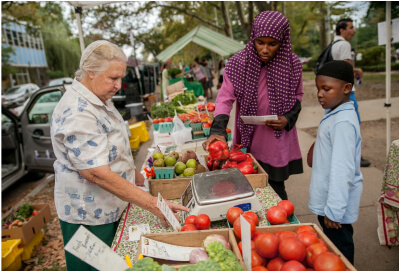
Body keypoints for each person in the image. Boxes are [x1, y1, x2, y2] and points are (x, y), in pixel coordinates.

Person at [50, 40, 189, 270]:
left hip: (111, 203)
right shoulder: (78, 111)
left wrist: (136, 176)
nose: (119, 85)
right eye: (113, 78)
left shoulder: (99, 98)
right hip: (91, 215)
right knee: (99, 267)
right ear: (90, 72)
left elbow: (113, 150)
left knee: (118, 264)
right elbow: (96, 173)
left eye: (121, 77)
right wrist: (152, 203)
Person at [202, 11, 304, 200]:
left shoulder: (293, 64)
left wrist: (287, 118)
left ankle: (281, 219)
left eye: (272, 44)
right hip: (249, 133)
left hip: (277, 135)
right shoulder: (237, 64)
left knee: (275, 186)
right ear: (253, 39)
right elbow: (224, 98)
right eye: (260, 43)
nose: (265, 49)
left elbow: (298, 95)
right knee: (248, 180)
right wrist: (218, 130)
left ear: (282, 41)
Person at [308, 60, 363, 264]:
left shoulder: (343, 122)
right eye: (318, 89)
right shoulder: (334, 112)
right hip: (329, 202)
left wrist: (334, 210)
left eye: (326, 89)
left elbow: (343, 170)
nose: (320, 94)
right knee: (332, 246)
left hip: (335, 207)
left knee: (340, 250)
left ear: (347, 88)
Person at [332, 18, 370, 167]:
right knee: (353, 124)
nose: (354, 31)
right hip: (347, 92)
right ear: (342, 30)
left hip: (335, 91)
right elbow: (347, 69)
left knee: (337, 123)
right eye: (351, 27)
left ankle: (340, 155)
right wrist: (357, 70)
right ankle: (355, 157)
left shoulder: (333, 44)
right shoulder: (345, 44)